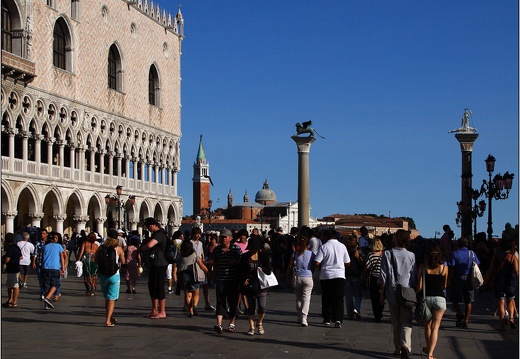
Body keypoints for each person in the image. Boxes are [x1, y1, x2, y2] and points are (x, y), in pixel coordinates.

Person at [378, 229, 417, 359]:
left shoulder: (387, 254)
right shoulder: (411, 255)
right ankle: (406, 345)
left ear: (396, 239)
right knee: (406, 320)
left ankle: (397, 348)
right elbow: (413, 275)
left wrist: (381, 293)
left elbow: (383, 276)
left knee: (395, 321)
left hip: (392, 291)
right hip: (407, 291)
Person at [416, 243, 448, 359]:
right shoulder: (444, 268)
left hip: (426, 298)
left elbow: (419, 286)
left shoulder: (422, 267)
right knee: (436, 327)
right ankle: (430, 354)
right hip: (440, 299)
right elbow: (445, 285)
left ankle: (429, 348)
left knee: (427, 326)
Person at [314, 229, 350, 328]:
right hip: (339, 275)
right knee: (339, 298)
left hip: (326, 275)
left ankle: (327, 318)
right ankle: (338, 319)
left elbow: (317, 262)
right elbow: (347, 262)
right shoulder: (342, 246)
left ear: (325, 237)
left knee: (326, 297)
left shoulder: (324, 247)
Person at [239, 235, 272, 335]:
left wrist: (263, 270)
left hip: (261, 284)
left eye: (255, 249)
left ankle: (260, 323)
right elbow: (241, 271)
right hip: (249, 284)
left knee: (262, 307)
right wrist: (243, 279)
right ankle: (251, 327)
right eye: (251, 248)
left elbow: (269, 270)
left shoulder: (263, 256)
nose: (253, 250)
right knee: (251, 307)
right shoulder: (245, 257)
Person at [212, 228, 242, 334]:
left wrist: (235, 263)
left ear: (230, 238)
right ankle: (219, 324)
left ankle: (231, 323)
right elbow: (215, 263)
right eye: (222, 237)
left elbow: (240, 262)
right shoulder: (217, 250)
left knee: (232, 302)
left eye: (225, 237)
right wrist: (213, 275)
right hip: (220, 279)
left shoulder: (236, 249)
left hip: (233, 280)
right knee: (220, 301)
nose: (223, 239)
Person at [484, 238, 519, 330]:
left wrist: (485, 283)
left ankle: (502, 324)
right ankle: (511, 318)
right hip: (510, 282)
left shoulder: (496, 256)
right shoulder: (512, 257)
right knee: (510, 301)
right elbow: (516, 271)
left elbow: (491, 270)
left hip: (498, 282)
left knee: (500, 302)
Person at [140, 217, 168, 319]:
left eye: (148, 226)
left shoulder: (160, 234)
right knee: (152, 286)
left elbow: (150, 245)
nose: (148, 229)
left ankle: (162, 311)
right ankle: (154, 310)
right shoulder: (156, 234)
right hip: (154, 263)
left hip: (160, 263)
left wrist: (142, 248)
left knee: (159, 286)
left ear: (153, 225)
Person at [95, 229, 125, 327]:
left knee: (107, 298)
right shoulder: (118, 248)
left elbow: (96, 259)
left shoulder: (101, 247)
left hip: (103, 276)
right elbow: (123, 262)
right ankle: (108, 320)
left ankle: (109, 316)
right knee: (111, 299)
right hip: (114, 275)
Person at [448, 237, 480, 328]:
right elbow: (477, 264)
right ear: (467, 244)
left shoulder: (454, 254)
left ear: (458, 244)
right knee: (468, 300)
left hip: (457, 277)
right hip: (469, 278)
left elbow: (452, 267)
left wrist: (449, 280)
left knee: (454, 299)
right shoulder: (472, 253)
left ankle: (459, 313)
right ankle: (466, 320)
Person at [173, 240, 208, 317]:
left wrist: (175, 276)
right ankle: (195, 306)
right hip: (193, 274)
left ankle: (190, 311)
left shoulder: (180, 256)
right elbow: (201, 265)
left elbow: (176, 266)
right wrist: (207, 271)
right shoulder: (194, 255)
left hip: (183, 275)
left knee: (188, 294)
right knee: (196, 292)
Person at [288, 230, 315, 326]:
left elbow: (290, 264)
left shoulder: (295, 253)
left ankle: (299, 316)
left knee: (298, 298)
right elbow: (315, 264)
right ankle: (304, 317)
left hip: (297, 277)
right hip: (308, 276)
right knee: (306, 298)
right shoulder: (311, 254)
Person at [41, 231, 66, 310]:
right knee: (55, 284)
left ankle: (46, 304)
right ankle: (47, 298)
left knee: (47, 285)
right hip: (55, 267)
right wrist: (63, 267)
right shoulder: (58, 246)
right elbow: (62, 257)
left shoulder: (45, 246)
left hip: (45, 267)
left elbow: (42, 256)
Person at [344, 235, 364, 320]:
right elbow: (361, 264)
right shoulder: (358, 253)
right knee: (358, 295)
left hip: (347, 274)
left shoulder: (345, 252)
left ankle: (350, 314)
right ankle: (356, 308)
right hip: (356, 275)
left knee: (348, 297)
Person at [365, 237, 385, 322]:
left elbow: (366, 267)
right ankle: (380, 311)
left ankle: (377, 314)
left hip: (374, 277)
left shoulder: (370, 255)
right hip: (383, 277)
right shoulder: (384, 254)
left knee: (374, 297)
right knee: (382, 295)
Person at [3, 233, 22, 308]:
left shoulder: (10, 248)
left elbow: (7, 260)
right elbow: (21, 257)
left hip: (11, 268)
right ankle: (10, 300)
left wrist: (4, 259)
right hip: (17, 267)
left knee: (13, 285)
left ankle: (14, 301)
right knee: (11, 285)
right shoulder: (17, 247)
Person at [77, 232, 100, 296]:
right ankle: (93, 287)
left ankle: (88, 288)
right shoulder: (96, 245)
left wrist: (78, 260)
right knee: (94, 275)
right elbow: (98, 254)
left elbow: (81, 252)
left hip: (86, 260)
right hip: (94, 260)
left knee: (86, 274)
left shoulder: (85, 243)